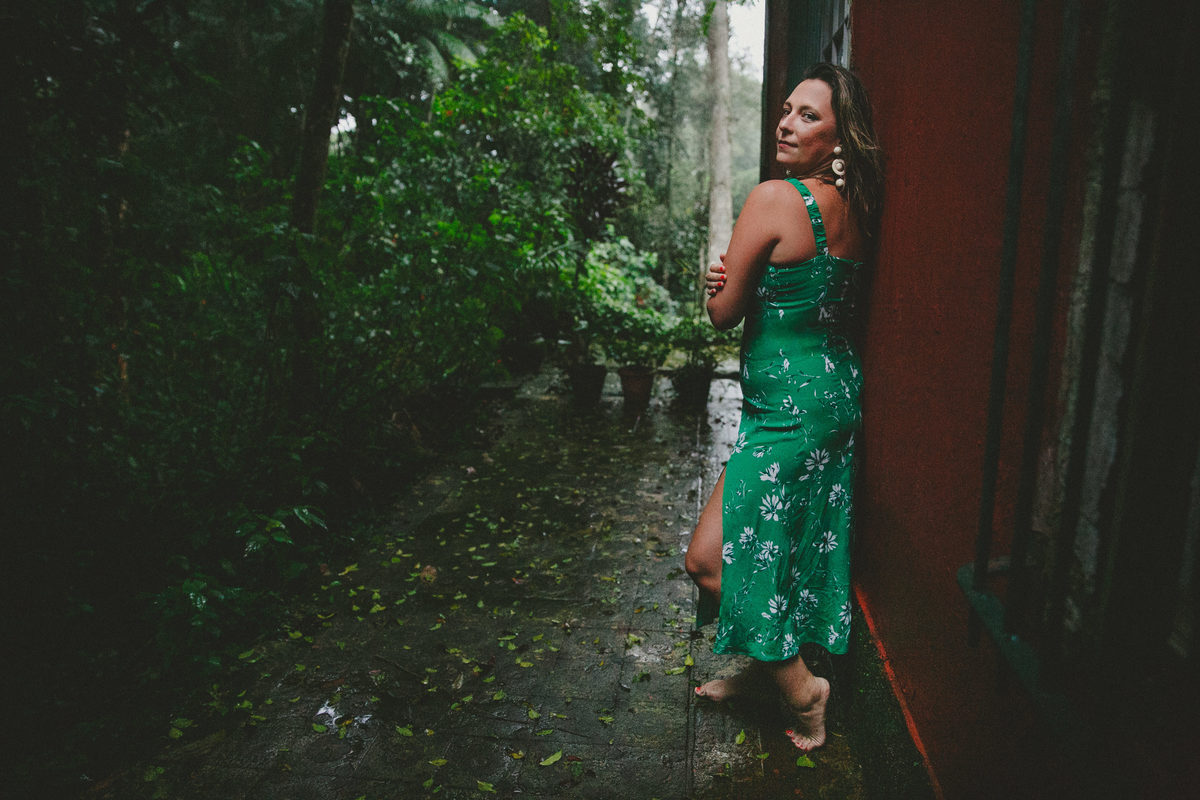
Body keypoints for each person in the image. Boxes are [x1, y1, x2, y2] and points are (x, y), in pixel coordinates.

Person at [684, 62, 883, 752]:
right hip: (832, 400)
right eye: (788, 109)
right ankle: (765, 670)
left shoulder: (776, 199)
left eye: (808, 116)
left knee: (709, 559)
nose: (787, 121)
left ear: (838, 139)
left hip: (789, 415)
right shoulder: (854, 204)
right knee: (787, 551)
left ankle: (803, 694)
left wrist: (716, 275)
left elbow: (721, 313)